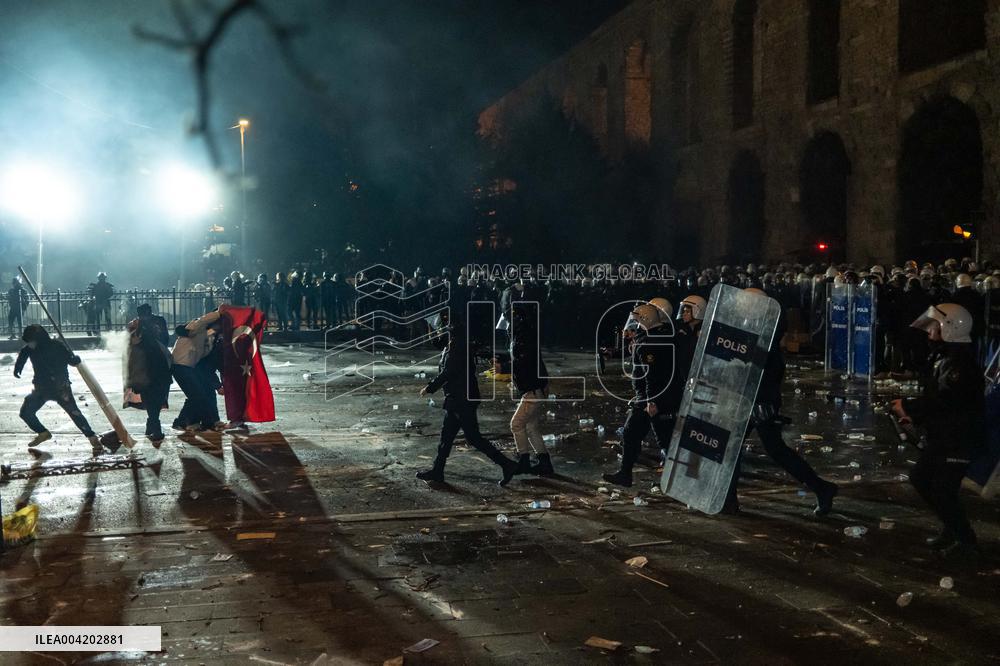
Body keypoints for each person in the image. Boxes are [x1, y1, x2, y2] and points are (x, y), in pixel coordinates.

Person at [725, 288, 838, 515]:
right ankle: (728, 501)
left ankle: (822, 488)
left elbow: (768, 371)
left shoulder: (767, 334)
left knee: (764, 450)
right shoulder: (756, 329)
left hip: (758, 402)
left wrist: (762, 401)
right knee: (745, 449)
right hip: (750, 399)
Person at [892, 304, 983, 556]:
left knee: (940, 488)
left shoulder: (959, 364)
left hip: (957, 438)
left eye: (936, 325)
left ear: (950, 328)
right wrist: (913, 415)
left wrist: (908, 406)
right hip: (945, 434)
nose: (930, 329)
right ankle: (952, 529)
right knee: (927, 481)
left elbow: (946, 400)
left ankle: (965, 540)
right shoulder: (946, 356)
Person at [417, 320, 518, 486]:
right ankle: (437, 471)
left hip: (461, 400)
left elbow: (448, 372)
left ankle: (507, 464)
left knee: (473, 438)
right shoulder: (455, 345)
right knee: (447, 437)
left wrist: (430, 388)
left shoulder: (458, 348)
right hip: (458, 399)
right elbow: (440, 349)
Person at [603, 300, 678, 487]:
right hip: (651, 397)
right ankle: (626, 474)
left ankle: (677, 481)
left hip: (651, 398)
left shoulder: (650, 342)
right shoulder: (657, 336)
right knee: (636, 435)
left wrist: (651, 401)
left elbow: (650, 374)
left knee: (664, 439)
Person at [13, 325, 102, 456]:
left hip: (60, 388)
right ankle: (43, 433)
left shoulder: (57, 346)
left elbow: (71, 361)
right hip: (42, 389)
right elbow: (23, 355)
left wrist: (75, 359)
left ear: (38, 338)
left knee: (75, 413)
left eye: (31, 340)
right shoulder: (30, 349)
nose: (29, 344)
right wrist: (18, 367)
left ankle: (93, 438)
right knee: (26, 412)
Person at [509, 300, 554, 476]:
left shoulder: (524, 336)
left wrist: (505, 367)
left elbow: (523, 361)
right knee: (531, 426)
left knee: (516, 424)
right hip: (536, 387)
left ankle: (524, 460)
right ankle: (544, 463)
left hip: (532, 388)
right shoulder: (525, 334)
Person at [170, 311, 222, 431]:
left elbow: (204, 352)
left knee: (196, 394)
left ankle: (185, 421)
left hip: (187, 366)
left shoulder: (208, 336)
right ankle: (184, 421)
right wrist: (219, 312)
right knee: (197, 395)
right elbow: (202, 320)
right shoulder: (197, 327)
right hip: (180, 365)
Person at [125, 319, 172, 441]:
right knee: (154, 405)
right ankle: (155, 429)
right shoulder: (157, 344)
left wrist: (133, 382)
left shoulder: (138, 346)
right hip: (158, 380)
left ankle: (152, 427)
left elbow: (132, 366)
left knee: (151, 405)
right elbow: (168, 360)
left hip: (147, 381)